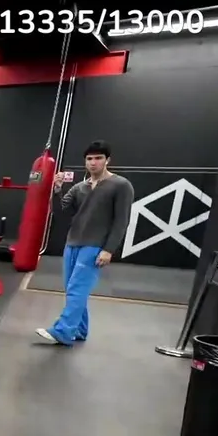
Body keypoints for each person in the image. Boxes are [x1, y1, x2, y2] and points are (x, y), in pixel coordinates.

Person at [37, 140, 134, 346]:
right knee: (72, 289)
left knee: (77, 289)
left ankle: (63, 331)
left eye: (98, 158)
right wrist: (57, 189)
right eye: (89, 159)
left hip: (95, 245)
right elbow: (61, 211)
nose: (93, 162)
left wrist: (108, 250)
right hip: (73, 243)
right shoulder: (80, 187)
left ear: (107, 160)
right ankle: (80, 330)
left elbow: (121, 221)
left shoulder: (121, 185)